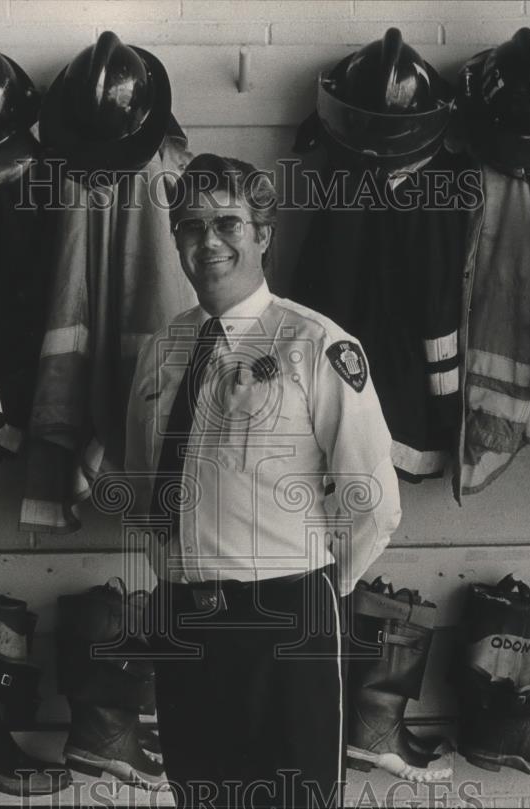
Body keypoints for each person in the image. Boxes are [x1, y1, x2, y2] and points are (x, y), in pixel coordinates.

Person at [124, 153, 402, 808]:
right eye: (191, 226)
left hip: (285, 617)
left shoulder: (316, 344)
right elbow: (143, 483)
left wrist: (320, 587)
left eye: (228, 222)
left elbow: (374, 501)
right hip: (184, 618)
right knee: (200, 794)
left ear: (263, 234)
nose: (209, 241)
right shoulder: (161, 350)